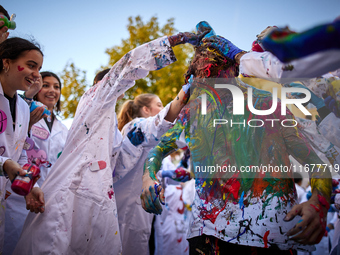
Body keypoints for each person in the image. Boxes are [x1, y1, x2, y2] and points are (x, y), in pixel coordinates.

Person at [141, 21, 332, 254]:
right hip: (207, 238)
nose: (202, 79)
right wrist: (148, 179)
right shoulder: (193, 111)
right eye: (198, 71)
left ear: (232, 70)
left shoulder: (267, 106)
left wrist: (318, 203)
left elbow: (317, 165)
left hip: (268, 239)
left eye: (209, 69)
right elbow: (157, 151)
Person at [13, 31, 206, 255]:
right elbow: (128, 66)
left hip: (97, 201)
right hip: (70, 192)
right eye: (115, 82)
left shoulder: (112, 128)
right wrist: (177, 39)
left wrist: (184, 94)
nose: (120, 87)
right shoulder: (95, 97)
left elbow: (133, 148)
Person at [113, 90, 191, 255]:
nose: (162, 108)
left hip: (139, 212)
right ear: (146, 110)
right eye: (159, 105)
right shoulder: (136, 126)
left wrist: (170, 175)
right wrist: (185, 92)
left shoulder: (153, 137)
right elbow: (157, 125)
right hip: (125, 210)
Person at [3, 71, 68, 254]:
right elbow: (14, 147)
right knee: (13, 244)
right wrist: (28, 126)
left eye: (56, 87)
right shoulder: (20, 114)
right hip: (19, 193)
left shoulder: (64, 129)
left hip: (50, 196)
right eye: (46, 85)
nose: (52, 90)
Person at [0, 37, 46, 252]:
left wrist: (30, 186)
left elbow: (20, 155)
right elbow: (8, 160)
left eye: (39, 68)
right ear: (5, 62)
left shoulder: (21, 107)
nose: (37, 74)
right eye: (31, 65)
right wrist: (4, 164)